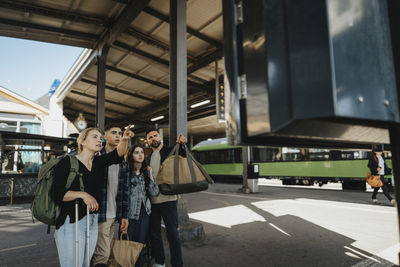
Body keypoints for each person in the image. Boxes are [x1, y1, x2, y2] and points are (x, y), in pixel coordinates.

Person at [51, 126, 134, 267]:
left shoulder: (97, 162)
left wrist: (125, 139)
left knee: (84, 263)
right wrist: (83, 195)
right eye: (94, 137)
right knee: (72, 264)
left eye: (100, 138)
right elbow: (56, 193)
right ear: (83, 142)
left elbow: (118, 154)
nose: (99, 140)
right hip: (71, 221)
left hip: (92, 220)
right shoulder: (67, 162)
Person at [146, 128, 187, 267]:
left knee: (173, 235)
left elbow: (183, 155)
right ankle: (160, 261)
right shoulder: (148, 158)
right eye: (150, 137)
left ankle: (177, 263)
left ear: (160, 137)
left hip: (169, 200)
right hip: (153, 201)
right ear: (147, 141)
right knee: (155, 234)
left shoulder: (170, 150)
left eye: (155, 135)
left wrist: (182, 144)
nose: (153, 138)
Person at [92, 125, 128, 267]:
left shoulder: (123, 161)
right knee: (103, 254)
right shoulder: (96, 156)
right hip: (100, 214)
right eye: (114, 133)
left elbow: (125, 190)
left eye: (120, 133)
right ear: (105, 137)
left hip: (114, 215)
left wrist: (124, 215)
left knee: (102, 254)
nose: (118, 135)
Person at [118, 144, 159, 267]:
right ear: (131, 155)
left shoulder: (146, 173)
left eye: (142, 152)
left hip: (144, 213)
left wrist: (151, 176)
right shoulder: (126, 171)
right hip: (128, 213)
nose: (140, 154)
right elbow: (121, 194)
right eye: (136, 152)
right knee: (127, 242)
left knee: (140, 243)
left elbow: (154, 192)